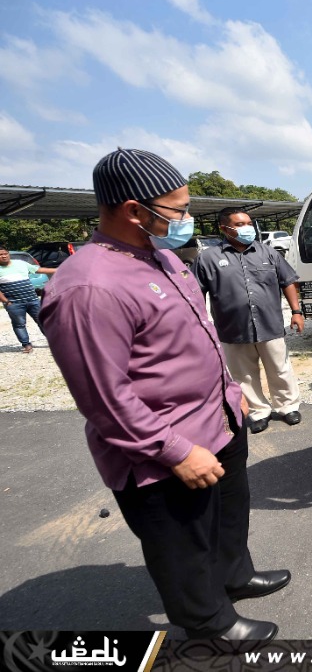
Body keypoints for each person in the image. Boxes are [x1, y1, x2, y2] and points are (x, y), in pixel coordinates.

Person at [39, 148, 289, 641]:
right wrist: (173, 450)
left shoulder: (164, 256)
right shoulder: (89, 287)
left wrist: (231, 390)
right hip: (164, 448)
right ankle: (208, 624)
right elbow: (104, 397)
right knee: (182, 544)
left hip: (218, 421)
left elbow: (193, 334)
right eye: (178, 209)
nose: (187, 219)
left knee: (226, 518)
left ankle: (234, 576)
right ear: (134, 210)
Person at [194, 208, 304, 434]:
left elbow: (288, 281)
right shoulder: (207, 258)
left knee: (280, 368)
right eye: (240, 224)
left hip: (270, 324)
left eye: (249, 223)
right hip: (232, 329)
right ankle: (258, 411)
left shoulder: (268, 252)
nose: (247, 228)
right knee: (243, 375)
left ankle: (287, 406)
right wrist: (200, 325)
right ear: (224, 228)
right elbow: (196, 293)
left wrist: (296, 311)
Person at [0, 246, 56, 353]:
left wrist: (58, 269)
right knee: (19, 325)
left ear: (8, 254)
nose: (4, 256)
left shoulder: (21, 263)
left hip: (33, 300)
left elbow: (39, 270)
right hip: (14, 304)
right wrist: (6, 302)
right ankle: (26, 345)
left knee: (43, 321)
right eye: (0, 255)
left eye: (5, 254)